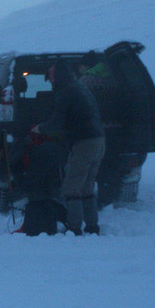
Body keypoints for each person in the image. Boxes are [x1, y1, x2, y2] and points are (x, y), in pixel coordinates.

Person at [33, 60, 105, 235]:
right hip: (99, 141)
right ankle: (92, 226)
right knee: (87, 187)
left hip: (85, 144)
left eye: (50, 77)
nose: (50, 81)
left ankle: (74, 228)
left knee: (72, 186)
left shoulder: (66, 92)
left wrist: (39, 128)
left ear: (56, 77)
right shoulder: (80, 88)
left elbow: (57, 122)